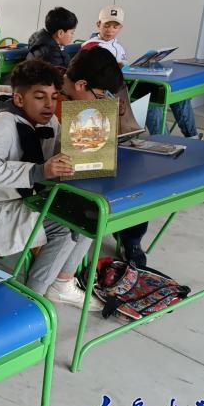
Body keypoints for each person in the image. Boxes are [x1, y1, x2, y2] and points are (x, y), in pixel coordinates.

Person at [0, 60, 103, 310]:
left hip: (32, 199)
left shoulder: (49, 121)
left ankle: (62, 282)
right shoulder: (4, 123)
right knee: (66, 227)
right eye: (40, 97)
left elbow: (61, 151)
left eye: (54, 97)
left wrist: (85, 147)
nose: (50, 104)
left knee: (90, 216)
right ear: (19, 99)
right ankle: (32, 298)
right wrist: (39, 171)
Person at [61, 47, 150, 268]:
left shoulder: (83, 96)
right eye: (100, 96)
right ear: (81, 85)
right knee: (111, 190)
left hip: (87, 166)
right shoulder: (50, 98)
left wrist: (117, 118)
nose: (101, 101)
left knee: (135, 182)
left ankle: (131, 238)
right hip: (62, 176)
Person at [84, 5, 199, 138]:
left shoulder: (116, 44)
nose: (110, 30)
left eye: (115, 27)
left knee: (176, 94)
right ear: (98, 24)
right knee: (152, 100)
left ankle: (193, 137)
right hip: (112, 91)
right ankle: (165, 141)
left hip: (127, 83)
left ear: (120, 28)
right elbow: (94, 76)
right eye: (106, 25)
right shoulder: (91, 46)